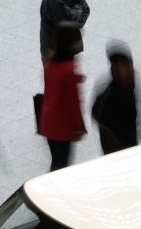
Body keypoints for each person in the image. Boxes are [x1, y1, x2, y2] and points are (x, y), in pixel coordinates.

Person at [40, 22, 87, 171]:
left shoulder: (50, 64)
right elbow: (74, 104)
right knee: (61, 165)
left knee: (56, 159)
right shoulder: (69, 70)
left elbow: (51, 88)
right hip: (63, 127)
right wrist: (79, 127)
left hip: (48, 122)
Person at [91, 43, 138, 155]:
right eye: (122, 66)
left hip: (130, 143)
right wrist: (113, 138)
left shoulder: (129, 84)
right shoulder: (109, 96)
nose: (130, 68)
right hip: (117, 149)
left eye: (128, 64)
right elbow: (96, 113)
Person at [39, 0, 90, 65]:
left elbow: (86, 10)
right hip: (53, 53)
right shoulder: (51, 2)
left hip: (69, 49)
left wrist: (74, 18)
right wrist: (78, 9)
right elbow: (67, 20)